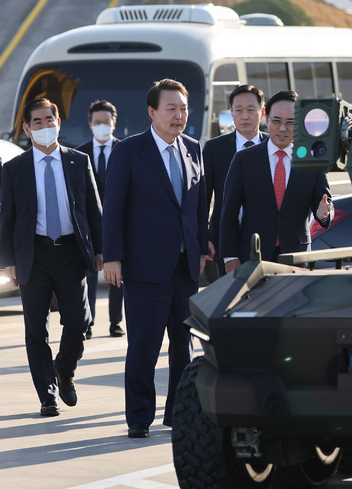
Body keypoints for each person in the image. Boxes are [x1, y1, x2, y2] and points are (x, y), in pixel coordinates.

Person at [102, 79, 211, 438]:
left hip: (184, 267)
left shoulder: (194, 148)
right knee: (144, 346)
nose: (179, 116)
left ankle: (177, 412)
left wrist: (200, 249)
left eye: (183, 109)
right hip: (144, 265)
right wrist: (112, 257)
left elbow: (197, 207)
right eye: (171, 109)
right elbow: (113, 208)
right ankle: (138, 416)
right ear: (152, 112)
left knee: (185, 346)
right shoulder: (129, 151)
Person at [0, 97, 103, 417]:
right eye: (38, 122)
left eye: (50, 119)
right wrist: (7, 260)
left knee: (78, 322)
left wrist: (101, 250)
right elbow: (6, 218)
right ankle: (47, 394)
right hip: (34, 255)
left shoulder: (78, 161)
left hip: (72, 253)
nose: (45, 126)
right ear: (28, 130)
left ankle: (65, 369)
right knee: (35, 331)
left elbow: (94, 212)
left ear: (59, 122)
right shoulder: (14, 168)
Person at [220, 90, 333, 271]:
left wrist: (324, 214)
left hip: (296, 256)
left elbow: (324, 204)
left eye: (290, 122)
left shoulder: (313, 161)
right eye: (277, 121)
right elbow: (229, 213)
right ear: (267, 120)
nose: (282, 128)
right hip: (252, 255)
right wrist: (230, 257)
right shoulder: (244, 159)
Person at [203, 84, 268, 277]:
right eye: (238, 110)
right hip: (224, 241)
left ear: (262, 112)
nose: (245, 116)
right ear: (231, 113)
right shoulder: (215, 148)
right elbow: (204, 197)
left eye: (251, 110)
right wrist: (204, 237)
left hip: (265, 240)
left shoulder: (272, 146)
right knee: (228, 302)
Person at [75, 100, 124, 339]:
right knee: (91, 273)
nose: (102, 127)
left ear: (114, 123)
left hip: (119, 222)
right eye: (97, 123)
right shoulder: (79, 153)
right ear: (90, 124)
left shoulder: (125, 149)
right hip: (90, 225)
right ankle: (89, 322)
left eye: (106, 122)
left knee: (117, 274)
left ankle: (116, 322)